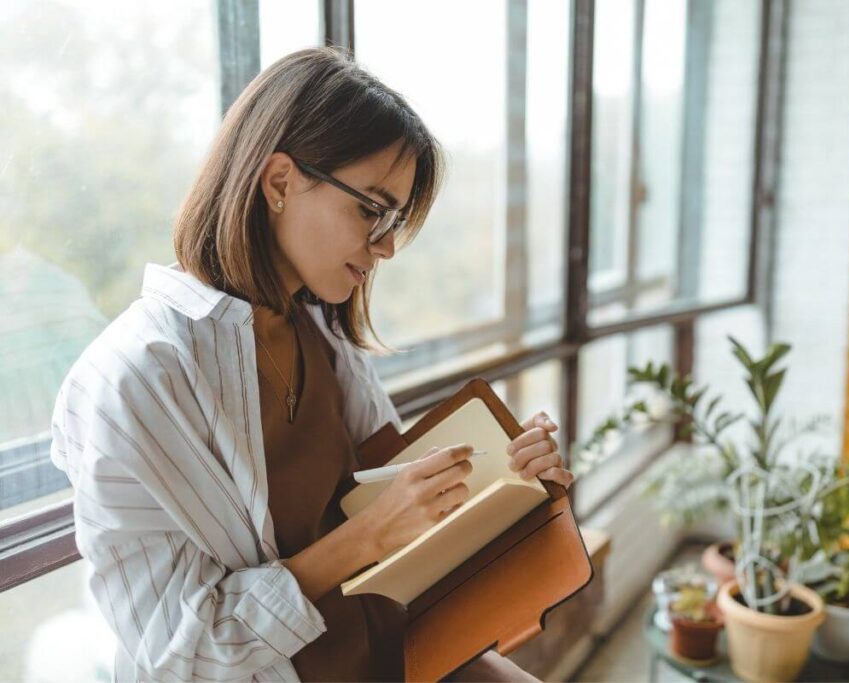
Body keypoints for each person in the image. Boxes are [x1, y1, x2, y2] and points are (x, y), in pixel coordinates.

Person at [49, 47, 574, 682]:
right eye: (371, 209)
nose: (384, 247)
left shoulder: (321, 333)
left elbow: (398, 502)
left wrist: (511, 479)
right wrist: (367, 539)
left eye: (396, 221)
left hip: (399, 650)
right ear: (279, 182)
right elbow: (177, 659)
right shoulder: (133, 380)